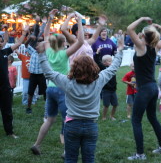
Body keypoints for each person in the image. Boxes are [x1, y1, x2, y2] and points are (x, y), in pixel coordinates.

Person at [36, 35, 124, 163]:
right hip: (90, 126)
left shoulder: (68, 82)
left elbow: (49, 73)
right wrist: (120, 50)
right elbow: (114, 67)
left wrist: (42, 54)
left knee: (70, 159)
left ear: (74, 67)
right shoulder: (99, 80)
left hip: (72, 125)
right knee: (89, 159)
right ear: (93, 67)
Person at [30, 9, 84, 156]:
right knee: (68, 121)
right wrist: (78, 20)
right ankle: (67, 151)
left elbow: (46, 35)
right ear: (63, 43)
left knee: (49, 120)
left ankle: (37, 144)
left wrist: (50, 18)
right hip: (62, 90)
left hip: (50, 90)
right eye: (65, 41)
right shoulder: (64, 54)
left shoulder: (49, 51)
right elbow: (80, 41)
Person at [126, 17, 161, 160]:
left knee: (136, 120)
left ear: (143, 36)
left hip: (145, 89)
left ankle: (140, 154)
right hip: (153, 88)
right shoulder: (155, 47)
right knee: (152, 117)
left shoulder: (141, 47)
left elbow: (129, 29)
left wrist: (142, 19)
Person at [0, 24, 28, 139]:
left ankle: (10, 132)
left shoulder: (4, 52)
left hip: (5, 88)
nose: (1, 43)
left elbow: (18, 43)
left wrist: (25, 33)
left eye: (1, 41)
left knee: (7, 111)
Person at [96, 54, 119, 120]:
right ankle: (104, 116)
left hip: (113, 90)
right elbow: (98, 62)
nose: (111, 62)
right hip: (106, 90)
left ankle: (112, 116)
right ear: (105, 62)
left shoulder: (112, 68)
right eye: (110, 61)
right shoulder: (104, 68)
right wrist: (97, 54)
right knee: (106, 105)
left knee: (115, 104)